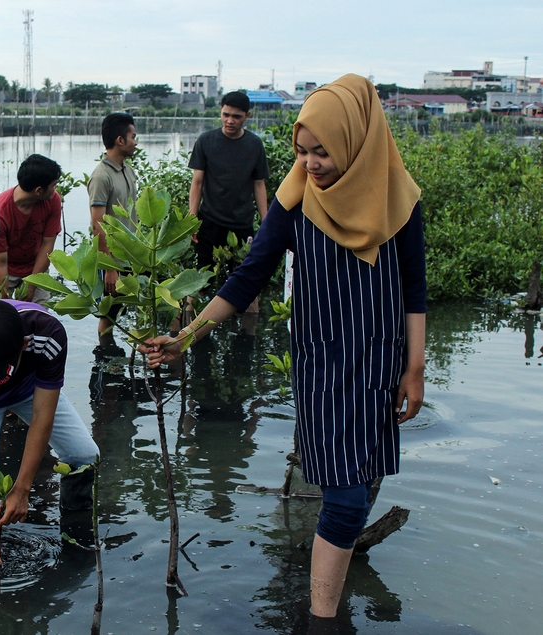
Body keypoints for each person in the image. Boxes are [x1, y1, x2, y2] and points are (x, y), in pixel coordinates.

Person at [143, 74, 426, 620]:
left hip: (380, 361)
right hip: (323, 363)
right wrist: (184, 337)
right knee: (343, 498)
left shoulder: (401, 202)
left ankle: (326, 579)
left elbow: (413, 289)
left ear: (356, 141)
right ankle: (321, 619)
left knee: (363, 478)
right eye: (301, 151)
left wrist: (414, 368)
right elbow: (248, 277)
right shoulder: (296, 201)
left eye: (322, 152)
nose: (310, 164)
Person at [0, 299, 100, 567]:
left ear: (24, 344)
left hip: (29, 389)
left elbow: (42, 415)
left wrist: (22, 488)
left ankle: (76, 537)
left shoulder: (48, 335)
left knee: (85, 455)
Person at [189, 91, 270, 318]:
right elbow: (197, 182)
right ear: (220, 113)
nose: (230, 121)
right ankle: (185, 331)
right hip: (209, 221)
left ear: (247, 116)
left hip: (242, 223)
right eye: (226, 115)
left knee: (246, 283)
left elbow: (259, 185)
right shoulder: (206, 141)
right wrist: (191, 221)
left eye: (236, 116)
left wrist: (267, 223)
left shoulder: (254, 144)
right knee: (199, 279)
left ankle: (248, 335)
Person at [87, 112, 138, 337]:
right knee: (109, 314)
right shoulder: (101, 176)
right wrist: (109, 267)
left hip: (131, 256)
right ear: (120, 140)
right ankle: (105, 358)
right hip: (113, 259)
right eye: (133, 136)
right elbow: (98, 224)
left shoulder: (128, 170)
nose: (136, 142)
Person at [0, 154, 63, 303]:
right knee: (0, 313)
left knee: (39, 318)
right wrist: (5, 304)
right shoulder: (0, 212)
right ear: (38, 191)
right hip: (3, 270)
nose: (55, 189)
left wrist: (31, 288)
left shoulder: (53, 200)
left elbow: (47, 245)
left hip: (35, 267)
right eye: (53, 185)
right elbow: (1, 263)